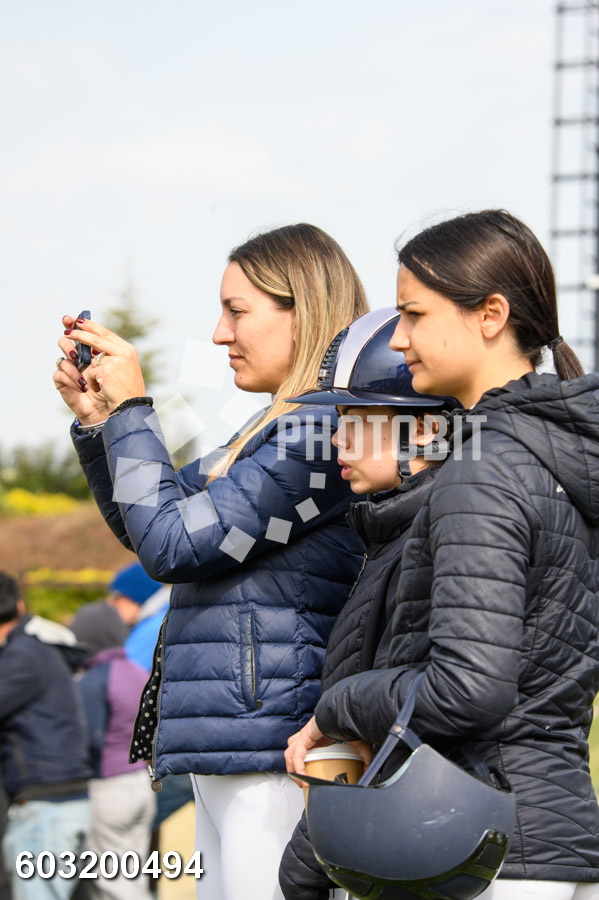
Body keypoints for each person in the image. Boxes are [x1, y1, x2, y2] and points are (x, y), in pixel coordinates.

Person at [285, 210, 599, 900]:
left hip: (480, 845)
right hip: (543, 838)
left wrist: (339, 705)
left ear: (491, 315)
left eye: (414, 315)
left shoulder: (483, 471)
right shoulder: (550, 457)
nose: (399, 339)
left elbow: (469, 690)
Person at [53, 223, 369, 900]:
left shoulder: (320, 437)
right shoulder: (267, 432)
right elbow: (151, 528)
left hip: (272, 749)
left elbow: (174, 544)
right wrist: (101, 422)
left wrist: (133, 409)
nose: (221, 334)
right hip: (236, 739)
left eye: (237, 311)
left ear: (303, 310)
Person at [277, 308, 458, 899]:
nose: (337, 439)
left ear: (424, 431)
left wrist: (301, 870)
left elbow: (403, 728)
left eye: (355, 420)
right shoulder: (390, 533)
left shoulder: (427, 540)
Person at [0, 572, 91, 900]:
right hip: (55, 803)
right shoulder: (34, 650)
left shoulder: (21, 657)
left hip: (47, 808)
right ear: (20, 606)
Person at [70, 600, 156, 900]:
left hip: (109, 787)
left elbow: (88, 739)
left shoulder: (94, 679)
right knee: (134, 877)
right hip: (140, 783)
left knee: (112, 883)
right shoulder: (138, 672)